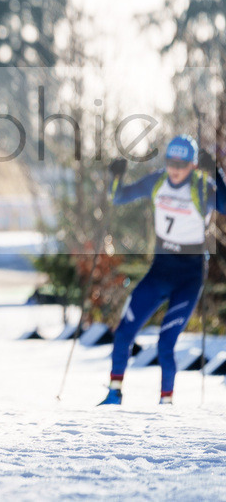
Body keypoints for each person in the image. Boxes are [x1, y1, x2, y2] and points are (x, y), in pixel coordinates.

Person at [99, 135, 225, 406]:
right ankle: (113, 394)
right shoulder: (157, 181)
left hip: (189, 277)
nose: (175, 169)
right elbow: (118, 196)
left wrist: (215, 169)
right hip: (160, 270)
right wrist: (116, 175)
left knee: (165, 343)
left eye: (182, 163)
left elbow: (225, 205)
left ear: (192, 165)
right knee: (123, 333)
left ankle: (165, 405)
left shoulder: (202, 188)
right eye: (171, 162)